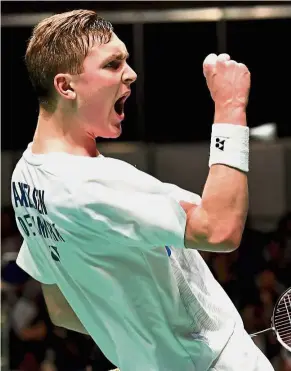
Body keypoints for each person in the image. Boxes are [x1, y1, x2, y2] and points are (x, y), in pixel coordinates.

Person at [11, 9, 274, 371]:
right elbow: (219, 228)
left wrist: (143, 354)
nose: (131, 74)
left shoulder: (25, 179)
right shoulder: (95, 184)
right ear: (66, 86)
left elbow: (62, 308)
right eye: (113, 64)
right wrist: (230, 106)